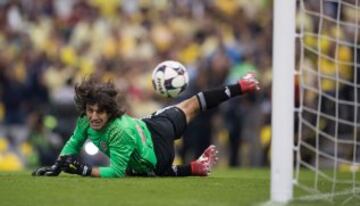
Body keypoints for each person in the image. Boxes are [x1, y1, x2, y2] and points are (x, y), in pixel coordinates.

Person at [32, 72, 259, 178]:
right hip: (146, 129)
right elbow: (74, 141)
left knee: (191, 105)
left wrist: (83, 170)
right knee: (137, 167)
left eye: (99, 112)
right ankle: (195, 167)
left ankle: (241, 86)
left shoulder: (118, 130)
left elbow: (116, 172)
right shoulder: (85, 119)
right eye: (90, 111)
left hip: (157, 140)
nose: (93, 116)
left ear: (110, 112)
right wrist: (58, 165)